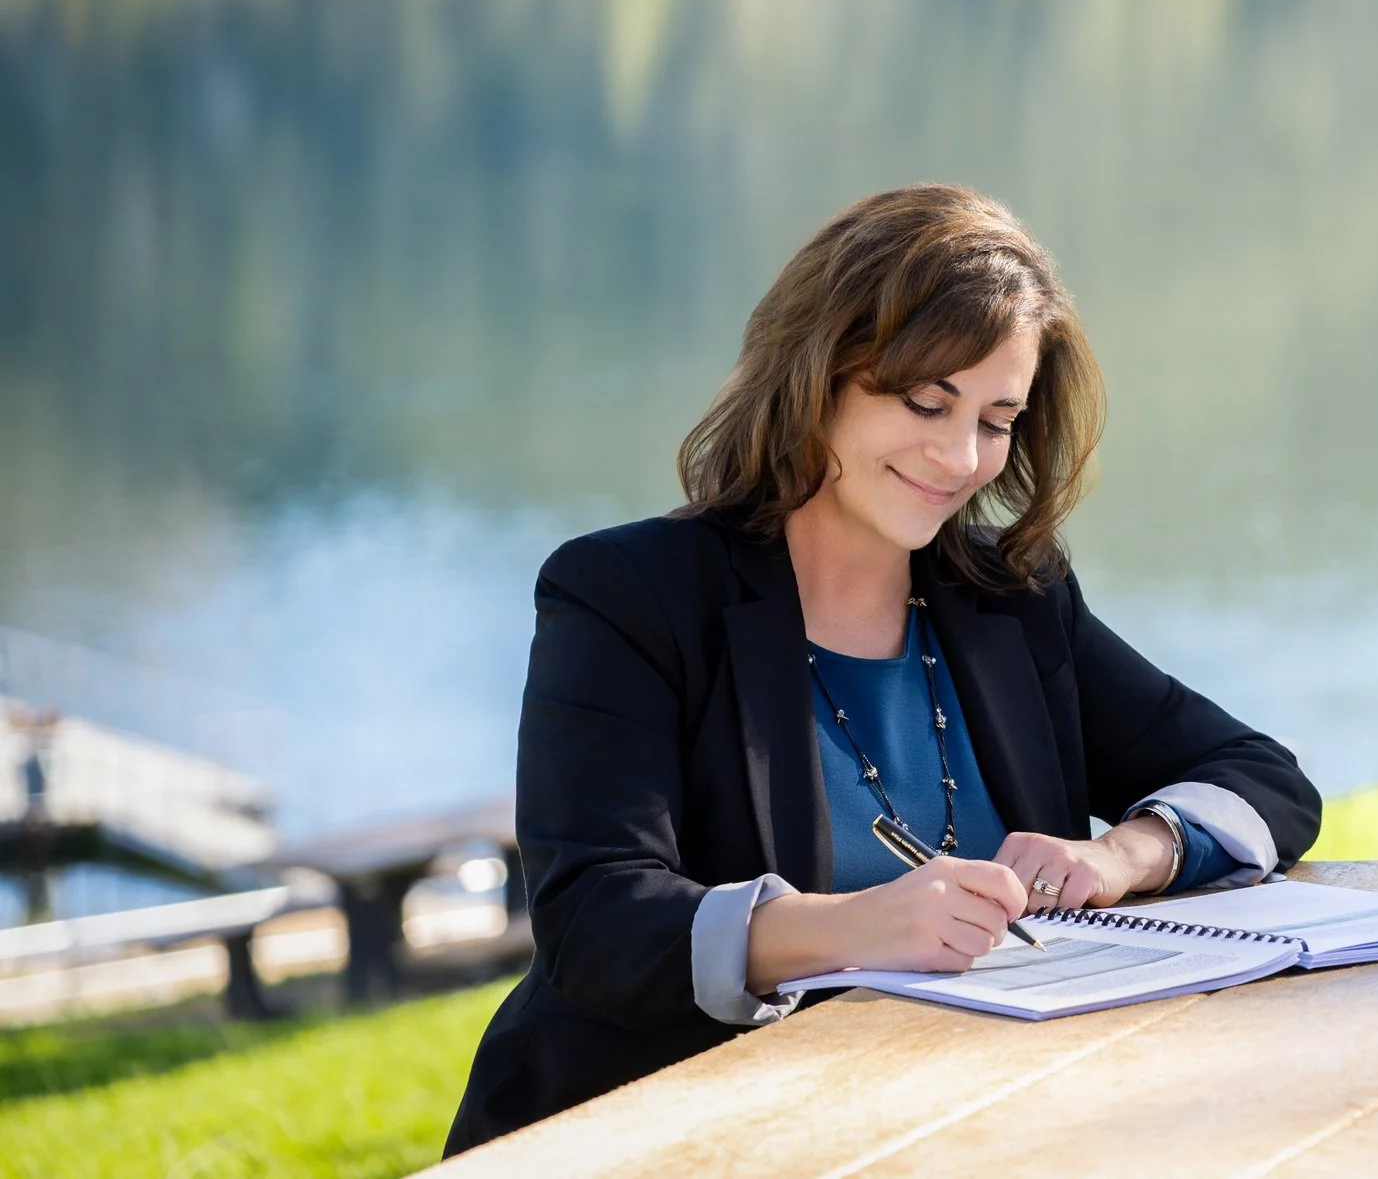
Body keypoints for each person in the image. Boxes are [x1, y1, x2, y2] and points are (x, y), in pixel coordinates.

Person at [445, 186, 1321, 1153]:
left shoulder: (1014, 600)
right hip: (645, 1141)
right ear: (818, 374)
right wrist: (851, 926)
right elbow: (596, 918)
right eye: (925, 401)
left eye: (998, 418)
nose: (960, 455)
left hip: (953, 1134)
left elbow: (1265, 777)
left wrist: (1119, 855)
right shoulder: (627, 593)